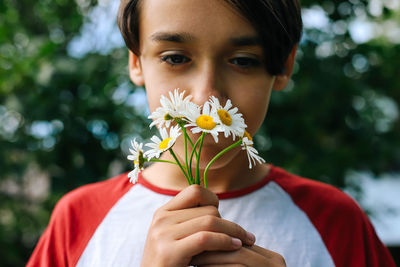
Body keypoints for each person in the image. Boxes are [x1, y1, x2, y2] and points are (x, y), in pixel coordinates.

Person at [27, 0, 396, 266]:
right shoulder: (78, 220)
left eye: (243, 61)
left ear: (283, 66)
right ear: (135, 60)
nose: (207, 99)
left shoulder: (335, 221)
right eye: (175, 57)